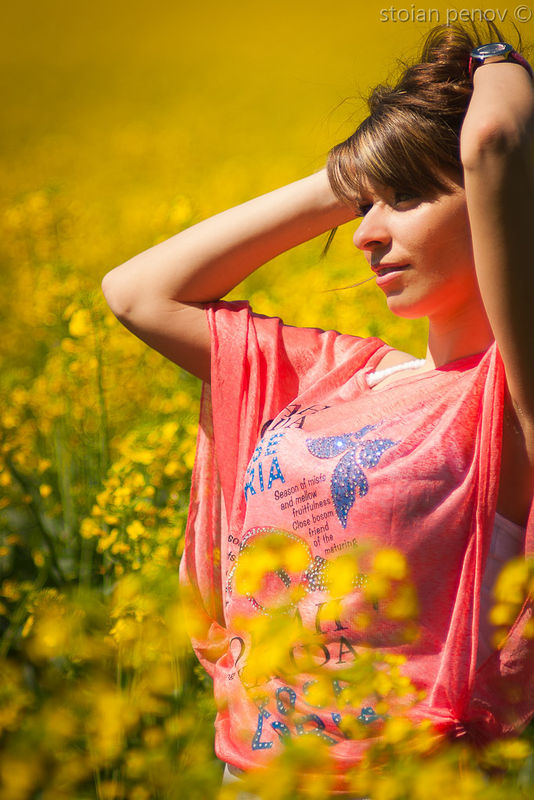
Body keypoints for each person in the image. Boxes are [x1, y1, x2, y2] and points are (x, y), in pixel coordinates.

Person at [102, 21, 534, 796]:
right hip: (250, 775)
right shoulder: (337, 373)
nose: (366, 234)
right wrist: (357, 172)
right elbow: (137, 293)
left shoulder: (505, 397)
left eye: (406, 198)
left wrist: (496, 59)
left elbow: (495, 139)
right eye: (366, 206)